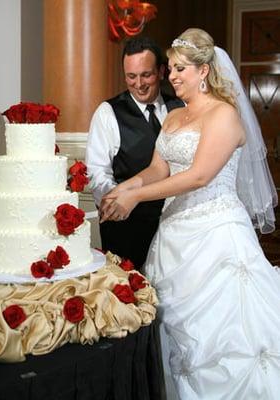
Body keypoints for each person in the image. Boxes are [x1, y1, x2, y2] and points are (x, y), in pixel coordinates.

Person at [99, 28, 280, 399]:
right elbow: (159, 169)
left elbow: (198, 176)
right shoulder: (173, 117)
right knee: (172, 328)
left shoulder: (224, 116)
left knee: (221, 331)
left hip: (216, 233)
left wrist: (138, 199)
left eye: (181, 69)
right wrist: (125, 187)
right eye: (172, 69)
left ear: (204, 71)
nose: (173, 76)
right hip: (173, 234)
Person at [86, 36, 184, 269]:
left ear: (161, 71)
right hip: (127, 226)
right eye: (131, 76)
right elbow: (97, 171)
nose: (138, 84)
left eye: (145, 75)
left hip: (176, 225)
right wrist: (115, 202)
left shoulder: (181, 108)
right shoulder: (108, 112)